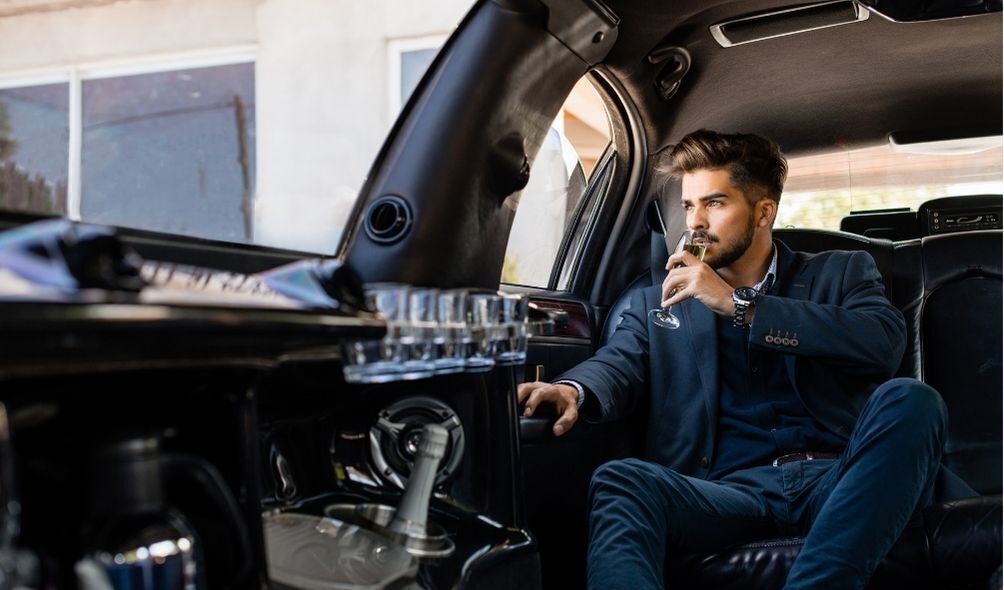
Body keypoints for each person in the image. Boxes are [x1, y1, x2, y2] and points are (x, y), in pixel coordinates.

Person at [516, 129, 972, 589]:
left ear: (763, 212)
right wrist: (570, 389)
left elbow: (882, 343)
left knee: (913, 400)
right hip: (725, 491)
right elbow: (618, 362)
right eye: (690, 205)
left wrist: (740, 305)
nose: (695, 222)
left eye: (714, 204)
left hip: (841, 481)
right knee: (621, 480)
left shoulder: (840, 271)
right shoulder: (658, 302)